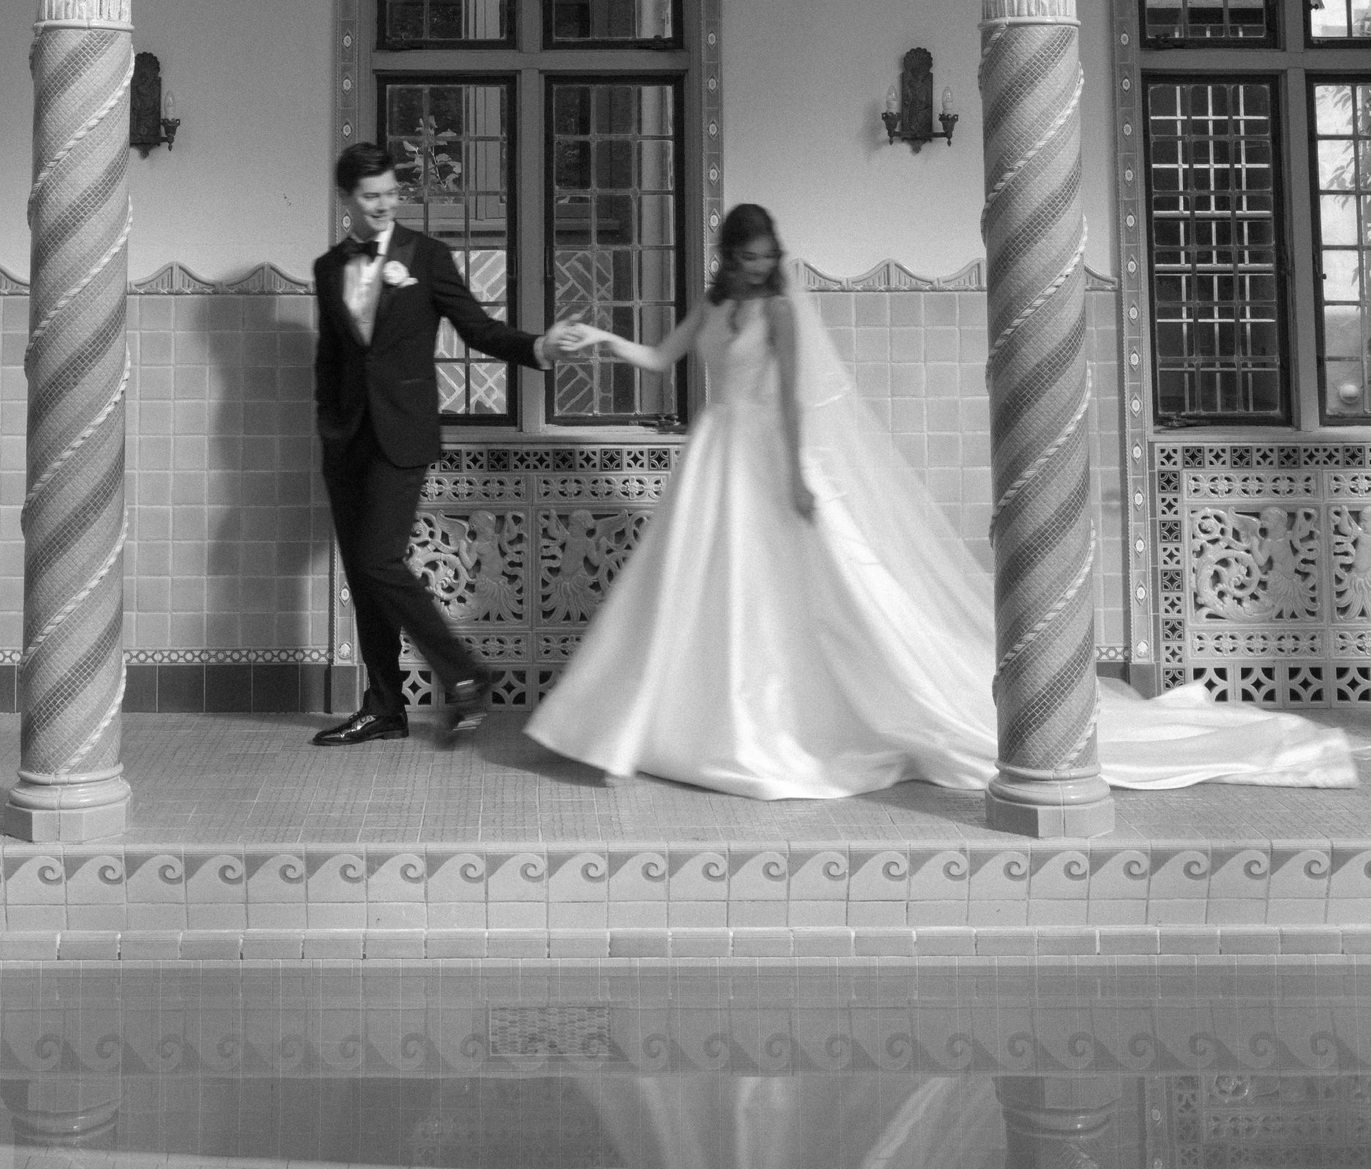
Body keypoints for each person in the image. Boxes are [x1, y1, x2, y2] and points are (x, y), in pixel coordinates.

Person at [526, 203, 1355, 799]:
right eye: (744, 256)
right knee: (687, 594)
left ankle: (763, 728)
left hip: (764, 457)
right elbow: (661, 357)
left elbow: (792, 399)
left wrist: (797, 477)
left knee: (796, 600)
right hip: (713, 460)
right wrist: (599, 338)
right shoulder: (713, 304)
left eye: (763, 255)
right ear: (726, 255)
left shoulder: (779, 309)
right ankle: (660, 723)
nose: (754, 265)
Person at [312, 140, 586, 749]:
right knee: (364, 576)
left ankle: (464, 674)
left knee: (380, 561)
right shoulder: (328, 268)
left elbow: (478, 329)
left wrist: (537, 348)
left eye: (391, 193)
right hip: (346, 443)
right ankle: (384, 707)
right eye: (370, 196)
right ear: (347, 199)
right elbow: (329, 360)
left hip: (403, 436)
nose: (384, 205)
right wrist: (328, 429)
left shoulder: (427, 256)